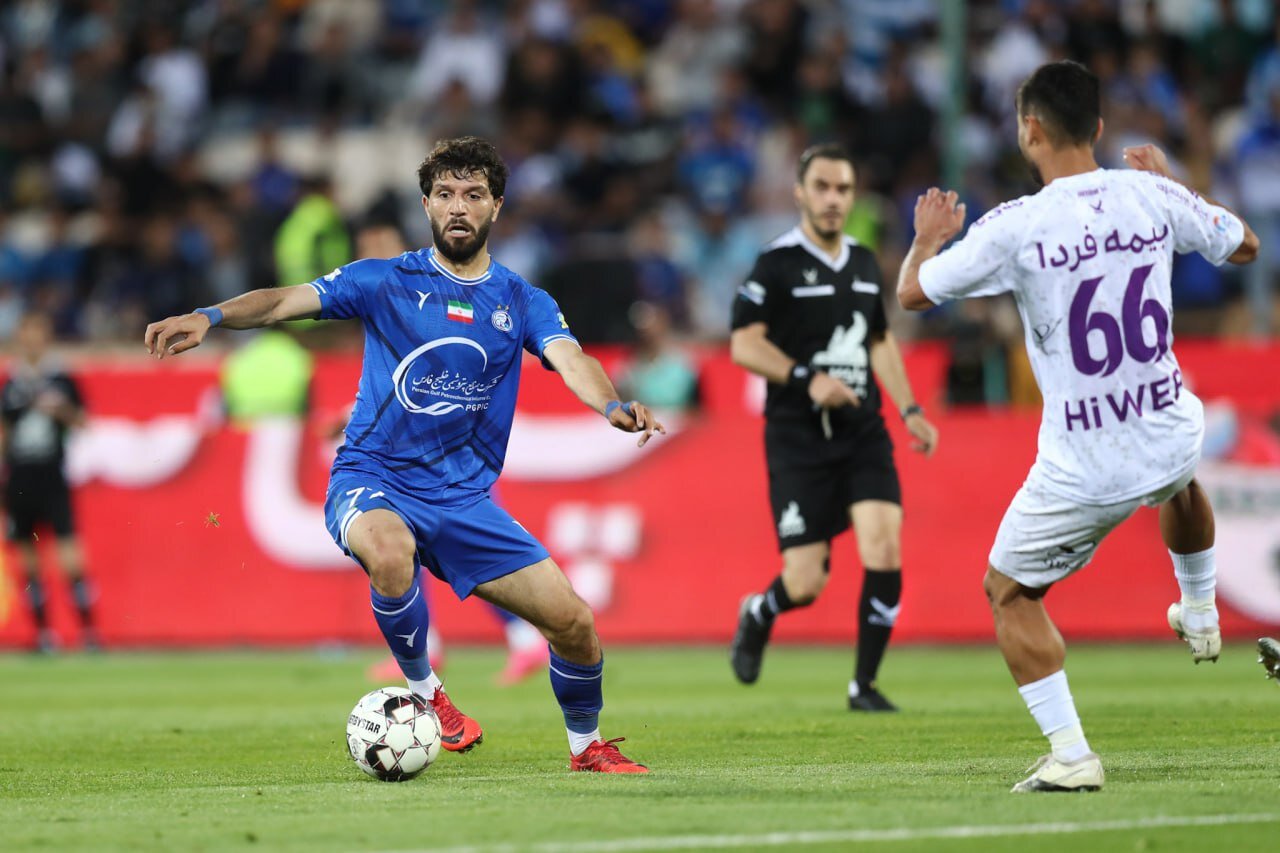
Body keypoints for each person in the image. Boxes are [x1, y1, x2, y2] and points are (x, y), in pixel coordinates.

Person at [145, 136, 665, 773]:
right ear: (426, 204)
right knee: (391, 553)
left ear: (497, 206)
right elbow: (283, 300)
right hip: (374, 478)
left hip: (464, 500)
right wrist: (210, 316)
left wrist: (611, 405)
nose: (457, 206)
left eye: (473, 194)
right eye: (445, 194)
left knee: (575, 623)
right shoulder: (384, 280)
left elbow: (571, 359)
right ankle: (429, 695)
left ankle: (587, 748)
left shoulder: (522, 300)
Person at [896, 60, 1260, 792]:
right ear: (1097, 127)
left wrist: (927, 239)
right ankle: (1199, 608)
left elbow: (911, 295)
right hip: (1168, 427)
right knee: (1179, 475)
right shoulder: (1152, 191)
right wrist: (1181, 191)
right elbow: (1246, 244)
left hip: (1085, 464)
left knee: (1007, 591)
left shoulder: (1016, 225)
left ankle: (1071, 755)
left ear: (1029, 129)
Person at [728, 143, 939, 712]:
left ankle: (863, 685)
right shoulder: (775, 264)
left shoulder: (865, 264)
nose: (832, 199)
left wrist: (910, 409)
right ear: (800, 192)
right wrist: (805, 378)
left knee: (884, 545)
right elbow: (744, 344)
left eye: (843, 189)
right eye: (821, 187)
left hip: (862, 431)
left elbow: (879, 341)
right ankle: (760, 612)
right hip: (797, 437)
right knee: (804, 583)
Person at [1, 311, 95, 652]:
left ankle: (89, 632)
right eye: (27, 333)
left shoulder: (61, 379)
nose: (33, 339)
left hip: (52, 475)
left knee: (70, 556)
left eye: (38, 332)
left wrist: (61, 410)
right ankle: (43, 635)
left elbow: (83, 422)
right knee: (28, 560)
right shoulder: (11, 384)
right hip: (19, 479)